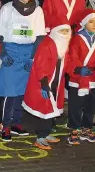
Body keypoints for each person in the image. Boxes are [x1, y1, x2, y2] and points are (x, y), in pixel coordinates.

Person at [0, 0, 46, 141]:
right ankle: (5, 125)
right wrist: (3, 54)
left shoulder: (37, 11)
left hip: (27, 53)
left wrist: (32, 58)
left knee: (21, 92)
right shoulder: (7, 9)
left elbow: (39, 37)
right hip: (11, 51)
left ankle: (16, 123)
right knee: (9, 92)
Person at [22, 16, 72, 150]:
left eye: (67, 31)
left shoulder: (63, 46)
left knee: (52, 110)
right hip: (45, 83)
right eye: (62, 31)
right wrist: (43, 83)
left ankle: (47, 133)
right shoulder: (47, 44)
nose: (65, 34)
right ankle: (40, 137)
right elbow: (40, 65)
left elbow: (66, 64)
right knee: (44, 110)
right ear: (55, 31)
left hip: (56, 83)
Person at [66, 9, 95, 145]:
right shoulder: (77, 38)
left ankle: (86, 127)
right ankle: (73, 128)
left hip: (94, 76)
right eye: (91, 21)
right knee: (75, 105)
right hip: (79, 76)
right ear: (84, 23)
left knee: (90, 105)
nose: (94, 24)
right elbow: (72, 56)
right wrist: (78, 69)